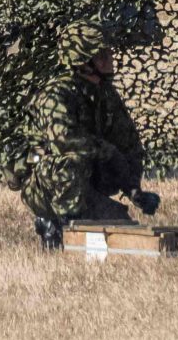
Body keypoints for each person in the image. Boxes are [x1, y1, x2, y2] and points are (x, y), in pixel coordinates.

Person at [14, 21, 161, 250]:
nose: (109, 60)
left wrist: (134, 190)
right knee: (70, 160)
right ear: (82, 62)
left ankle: (79, 225)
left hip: (88, 184)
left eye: (108, 53)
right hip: (47, 186)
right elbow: (64, 140)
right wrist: (107, 151)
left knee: (122, 232)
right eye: (101, 55)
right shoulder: (56, 95)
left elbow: (129, 144)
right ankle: (55, 224)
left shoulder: (105, 95)